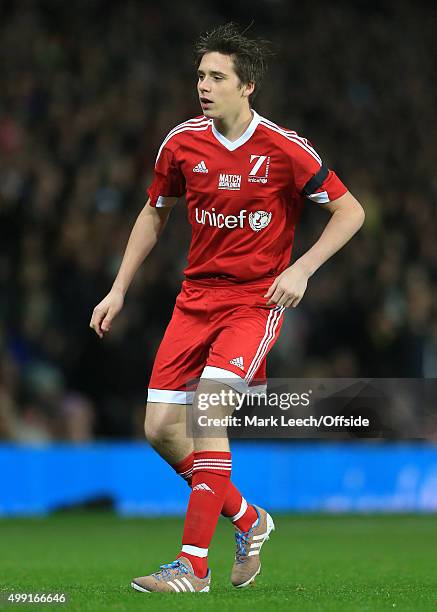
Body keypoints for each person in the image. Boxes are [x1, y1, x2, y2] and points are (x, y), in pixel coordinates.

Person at [90, 22, 365, 594]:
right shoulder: (181, 142)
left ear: (248, 87)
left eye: (217, 77)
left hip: (253, 304)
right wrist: (119, 288)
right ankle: (248, 518)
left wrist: (301, 268)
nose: (204, 86)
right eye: (200, 76)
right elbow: (154, 213)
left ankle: (193, 565)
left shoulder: (286, 149)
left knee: (208, 415)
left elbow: (350, 212)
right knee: (161, 430)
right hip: (194, 301)